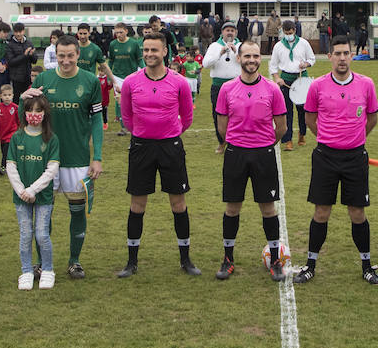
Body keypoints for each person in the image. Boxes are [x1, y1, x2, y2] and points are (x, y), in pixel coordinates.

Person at [293, 35, 378, 285]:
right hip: (325, 157)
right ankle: (310, 265)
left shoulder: (367, 84)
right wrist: (328, 137)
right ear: (329, 57)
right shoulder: (317, 86)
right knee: (321, 212)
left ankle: (366, 266)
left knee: (357, 213)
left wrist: (355, 138)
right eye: (338, 54)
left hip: (355, 157)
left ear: (352, 55)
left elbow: (372, 119)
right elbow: (310, 119)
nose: (342, 58)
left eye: (346, 53)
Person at [116, 31, 199, 278]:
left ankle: (185, 260)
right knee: (137, 204)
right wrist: (144, 133)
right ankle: (131, 262)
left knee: (178, 203)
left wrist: (168, 134)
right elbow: (127, 117)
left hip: (170, 147)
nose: (149, 54)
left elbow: (187, 116)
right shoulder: (131, 82)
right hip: (141, 147)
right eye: (146, 50)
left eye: (154, 50)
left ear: (165, 52)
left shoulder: (179, 82)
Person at [22, 34, 102, 280]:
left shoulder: (90, 81)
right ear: (55, 55)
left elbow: (97, 121)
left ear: (78, 54)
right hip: (45, 159)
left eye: (70, 55)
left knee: (77, 211)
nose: (65, 61)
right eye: (61, 56)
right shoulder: (44, 79)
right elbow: (25, 115)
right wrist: (21, 99)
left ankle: (74, 261)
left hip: (77, 159)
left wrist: (96, 156)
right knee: (44, 214)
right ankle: (41, 263)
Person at [211, 40, 288, 281]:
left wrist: (264, 145)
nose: (252, 60)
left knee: (267, 208)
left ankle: (276, 259)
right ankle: (227, 259)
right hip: (235, 154)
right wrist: (239, 142)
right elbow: (222, 126)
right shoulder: (227, 89)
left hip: (263, 154)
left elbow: (282, 127)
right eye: (247, 56)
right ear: (239, 58)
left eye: (256, 56)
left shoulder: (272, 89)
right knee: (232, 208)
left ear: (260, 59)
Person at [7, 94, 62, 290]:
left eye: (38, 111)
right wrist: (22, 190)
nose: (34, 115)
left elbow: (51, 170)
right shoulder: (17, 137)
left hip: (43, 197)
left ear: (45, 113)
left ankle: (47, 270)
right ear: (24, 112)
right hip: (21, 197)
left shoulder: (51, 139)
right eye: (30, 110)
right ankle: (27, 271)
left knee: (41, 234)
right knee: (25, 234)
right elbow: (11, 167)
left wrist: (32, 189)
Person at [269, 19, 315, 150]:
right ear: (283, 32)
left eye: (290, 32)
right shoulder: (278, 46)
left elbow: (312, 58)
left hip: (301, 78)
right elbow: (273, 65)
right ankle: (287, 140)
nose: (288, 34)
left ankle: (302, 134)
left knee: (303, 110)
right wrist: (277, 78)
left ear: (294, 30)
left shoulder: (304, 43)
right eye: (286, 32)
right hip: (286, 78)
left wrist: (305, 64)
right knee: (286, 111)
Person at [202, 22, 241, 149]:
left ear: (235, 33)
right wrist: (220, 53)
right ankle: (222, 142)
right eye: (227, 30)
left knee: (237, 114)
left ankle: (235, 141)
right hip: (218, 86)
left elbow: (247, 64)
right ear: (222, 32)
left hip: (237, 85)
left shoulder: (241, 45)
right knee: (218, 114)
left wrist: (236, 53)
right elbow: (206, 64)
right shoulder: (214, 46)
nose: (230, 32)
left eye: (232, 30)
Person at [107, 24, 141, 136]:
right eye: (117, 32)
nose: (119, 35)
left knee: (133, 101)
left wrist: (144, 71)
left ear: (126, 31)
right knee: (120, 102)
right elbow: (111, 61)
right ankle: (123, 127)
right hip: (117, 77)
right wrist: (109, 76)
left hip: (132, 76)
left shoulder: (134, 43)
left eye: (121, 32)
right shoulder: (112, 44)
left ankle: (135, 125)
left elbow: (139, 59)